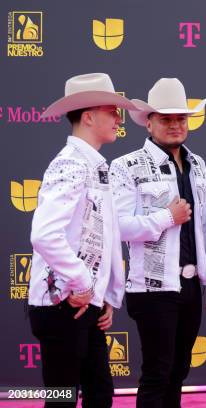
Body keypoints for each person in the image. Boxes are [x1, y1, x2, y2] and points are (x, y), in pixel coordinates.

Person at [29, 72, 134, 407]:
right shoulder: (71, 165)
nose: (119, 118)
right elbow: (44, 234)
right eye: (111, 110)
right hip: (63, 303)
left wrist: (103, 297)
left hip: (79, 302)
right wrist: (82, 283)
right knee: (62, 399)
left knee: (100, 395)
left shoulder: (93, 165)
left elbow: (105, 237)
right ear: (88, 116)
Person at [109, 78, 206, 408]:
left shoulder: (197, 165)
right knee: (157, 373)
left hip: (191, 286)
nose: (175, 125)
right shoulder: (125, 166)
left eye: (181, 118)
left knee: (179, 372)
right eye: (166, 119)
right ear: (149, 122)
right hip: (152, 290)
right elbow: (119, 227)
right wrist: (166, 218)